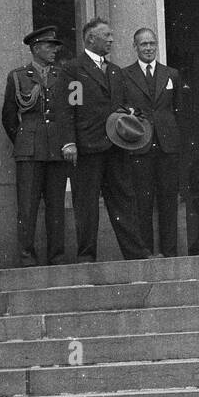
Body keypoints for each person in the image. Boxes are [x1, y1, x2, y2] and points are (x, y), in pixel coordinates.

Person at [65, 17, 148, 262]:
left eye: (111, 36)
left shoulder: (114, 71)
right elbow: (69, 108)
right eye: (107, 36)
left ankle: (135, 254)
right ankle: (86, 255)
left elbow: (125, 103)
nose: (111, 40)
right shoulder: (74, 69)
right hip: (88, 147)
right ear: (91, 39)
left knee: (124, 200)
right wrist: (69, 142)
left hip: (116, 146)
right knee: (87, 205)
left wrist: (132, 113)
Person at [1, 25, 76, 267]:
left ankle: (57, 256)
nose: (54, 50)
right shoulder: (18, 76)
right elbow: (9, 117)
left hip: (56, 148)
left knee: (56, 206)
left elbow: (69, 112)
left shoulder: (63, 76)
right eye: (49, 46)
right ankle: (27, 257)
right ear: (35, 49)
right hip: (29, 149)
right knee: (27, 207)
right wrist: (24, 140)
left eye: (55, 46)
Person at [122, 27, 182, 257]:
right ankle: (145, 251)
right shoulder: (126, 75)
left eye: (152, 44)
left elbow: (178, 109)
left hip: (167, 145)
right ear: (135, 47)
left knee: (168, 199)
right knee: (142, 201)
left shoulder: (171, 74)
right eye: (143, 44)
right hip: (140, 145)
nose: (148, 48)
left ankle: (170, 252)